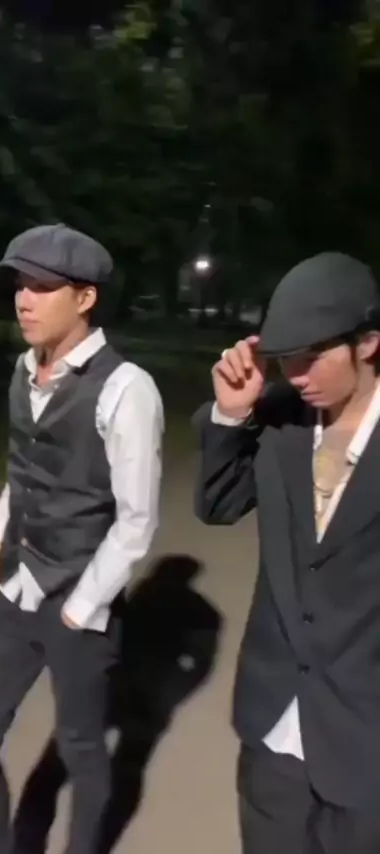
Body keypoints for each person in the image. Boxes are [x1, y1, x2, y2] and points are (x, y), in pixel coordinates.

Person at [0, 223, 164, 854]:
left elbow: (137, 519)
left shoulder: (126, 389)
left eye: (42, 287)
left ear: (85, 297)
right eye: (20, 284)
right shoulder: (24, 368)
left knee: (82, 748)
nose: (24, 300)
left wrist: (80, 607)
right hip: (14, 587)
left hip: (79, 599)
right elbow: (24, 469)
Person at [194, 252, 380, 854]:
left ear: (368, 343)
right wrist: (232, 414)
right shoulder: (278, 420)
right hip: (274, 726)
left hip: (366, 743)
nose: (297, 374)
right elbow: (218, 505)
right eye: (285, 358)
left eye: (313, 356)